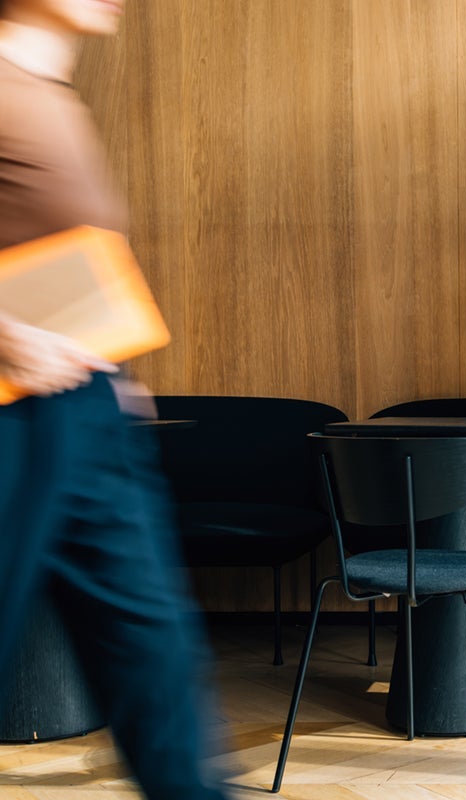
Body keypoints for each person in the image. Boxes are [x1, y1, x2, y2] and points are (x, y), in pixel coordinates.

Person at [0, 1, 229, 797]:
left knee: (156, 653)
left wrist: (117, 381)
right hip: (15, 414)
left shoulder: (53, 95)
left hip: (91, 410)